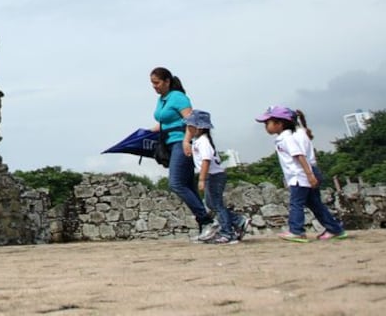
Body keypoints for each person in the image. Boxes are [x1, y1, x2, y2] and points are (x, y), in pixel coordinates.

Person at [256, 106, 348, 242]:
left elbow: (299, 156)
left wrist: (309, 175)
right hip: (306, 172)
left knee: (296, 203)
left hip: (300, 175)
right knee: (315, 203)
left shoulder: (287, 138)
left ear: (279, 123)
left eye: (267, 123)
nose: (266, 127)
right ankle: (335, 229)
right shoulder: (297, 134)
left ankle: (297, 231)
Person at [149, 67, 216, 241]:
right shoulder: (161, 100)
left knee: (176, 183)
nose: (154, 86)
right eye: (152, 83)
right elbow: (164, 122)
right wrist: (144, 133)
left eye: (157, 83)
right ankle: (207, 227)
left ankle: (207, 220)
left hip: (181, 143)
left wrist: (187, 141)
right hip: (169, 144)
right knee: (188, 186)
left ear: (167, 81)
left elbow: (191, 121)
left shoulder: (178, 97)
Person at [184, 111, 246, 244]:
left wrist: (201, 179)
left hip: (213, 176)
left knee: (217, 205)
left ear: (199, 127)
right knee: (212, 204)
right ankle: (237, 220)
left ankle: (227, 233)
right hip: (211, 176)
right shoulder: (199, 142)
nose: (188, 129)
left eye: (190, 126)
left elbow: (206, 161)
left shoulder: (203, 142)